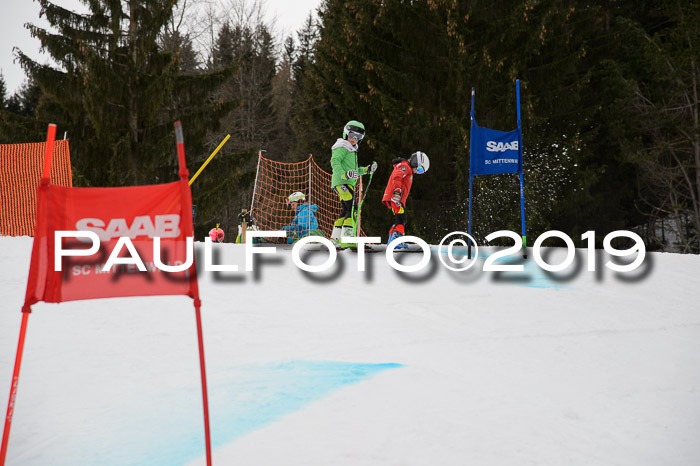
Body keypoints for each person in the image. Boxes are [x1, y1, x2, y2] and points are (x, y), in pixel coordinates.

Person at [330, 120, 377, 246]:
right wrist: (344, 174)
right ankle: (347, 238)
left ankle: (335, 238)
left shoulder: (351, 150)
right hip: (342, 181)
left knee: (346, 209)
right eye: (352, 135)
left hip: (346, 182)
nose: (354, 139)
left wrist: (367, 170)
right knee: (353, 208)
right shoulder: (342, 146)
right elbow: (335, 162)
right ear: (346, 134)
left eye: (358, 137)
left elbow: (355, 171)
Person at [381, 151, 430, 249]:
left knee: (400, 218)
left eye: (421, 172)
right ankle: (396, 240)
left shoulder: (407, 168)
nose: (418, 172)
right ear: (415, 162)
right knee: (401, 218)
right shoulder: (405, 167)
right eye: (419, 169)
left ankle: (392, 240)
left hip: (397, 198)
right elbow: (396, 176)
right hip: (395, 197)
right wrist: (397, 192)